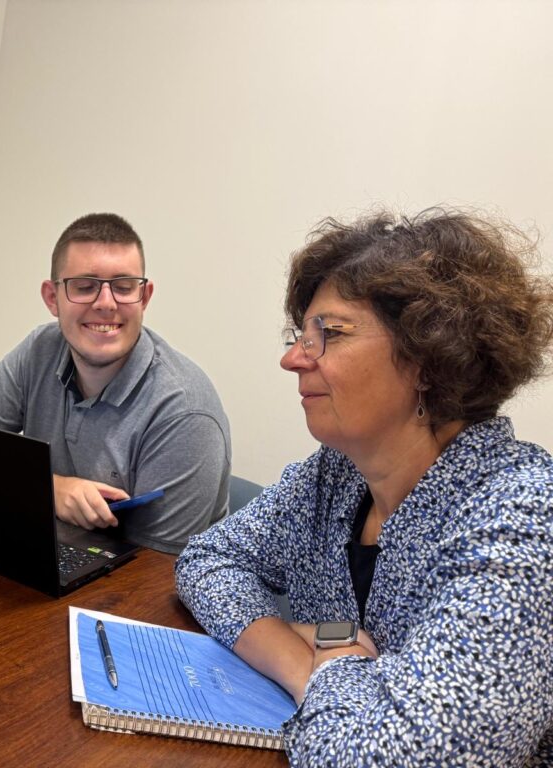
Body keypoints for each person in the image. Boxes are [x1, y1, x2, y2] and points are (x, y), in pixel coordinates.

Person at [175, 208, 553, 766]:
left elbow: (394, 759)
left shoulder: (524, 517)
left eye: (328, 333)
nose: (292, 358)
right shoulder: (334, 473)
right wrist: (307, 651)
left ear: (429, 357)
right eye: (299, 335)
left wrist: (334, 666)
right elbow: (207, 561)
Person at [0, 212, 230, 554]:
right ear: (52, 298)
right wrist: (50, 489)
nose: (105, 303)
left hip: (131, 590)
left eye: (123, 286)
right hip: (40, 555)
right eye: (85, 287)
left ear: (144, 298)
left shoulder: (186, 413)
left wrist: (23, 489)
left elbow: (154, 579)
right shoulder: (40, 350)